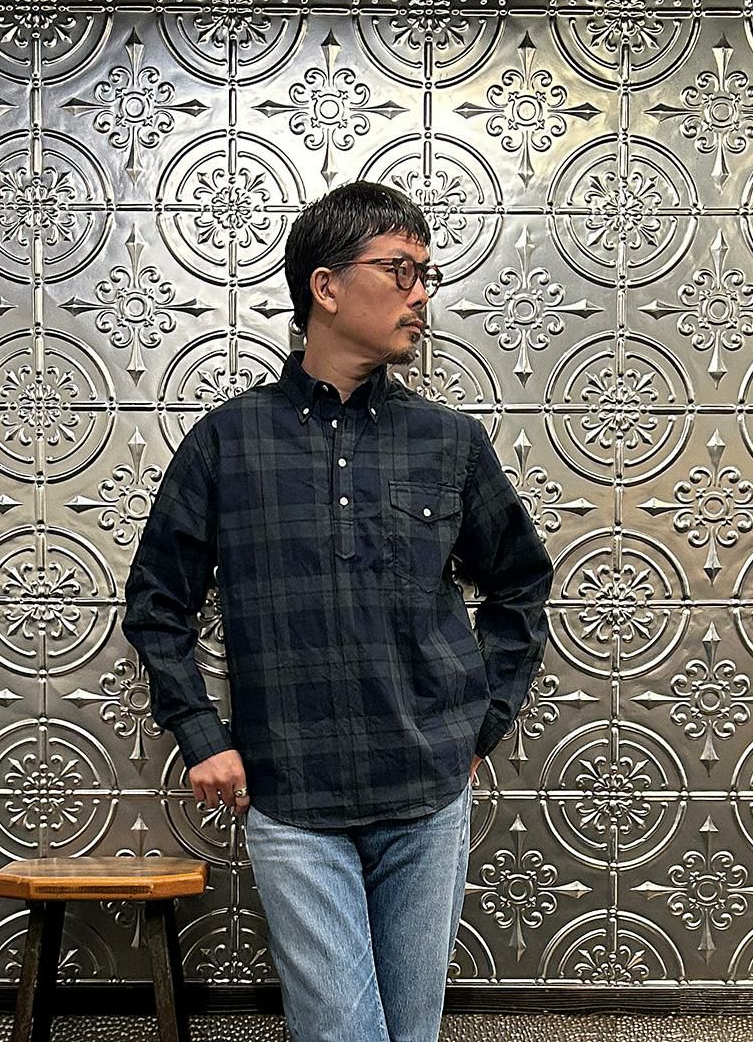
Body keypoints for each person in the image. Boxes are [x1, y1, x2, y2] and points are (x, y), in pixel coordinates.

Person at [122, 180, 553, 1042]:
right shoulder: (229, 441)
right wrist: (202, 738)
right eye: (400, 271)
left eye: (426, 274)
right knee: (341, 1033)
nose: (420, 294)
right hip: (291, 797)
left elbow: (521, 585)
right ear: (325, 286)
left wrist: (482, 725)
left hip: (427, 793)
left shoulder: (449, 441)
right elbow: (157, 603)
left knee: (411, 1033)